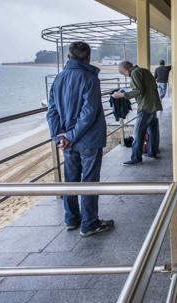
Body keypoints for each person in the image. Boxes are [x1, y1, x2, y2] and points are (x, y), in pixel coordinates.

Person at [46, 41, 114, 237]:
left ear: (69, 56)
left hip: (67, 141)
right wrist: (71, 136)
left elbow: (52, 111)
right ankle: (89, 223)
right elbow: (89, 111)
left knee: (71, 180)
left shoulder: (58, 78)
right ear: (88, 56)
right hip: (88, 139)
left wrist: (59, 136)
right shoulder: (89, 77)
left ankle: (71, 219)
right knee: (89, 181)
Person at [112, 61, 163, 165]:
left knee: (138, 132)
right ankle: (152, 152)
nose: (125, 75)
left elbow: (138, 90)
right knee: (153, 130)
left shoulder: (135, 73)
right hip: (153, 104)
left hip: (145, 106)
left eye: (123, 74)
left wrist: (121, 95)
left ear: (126, 70)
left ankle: (136, 158)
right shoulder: (145, 70)